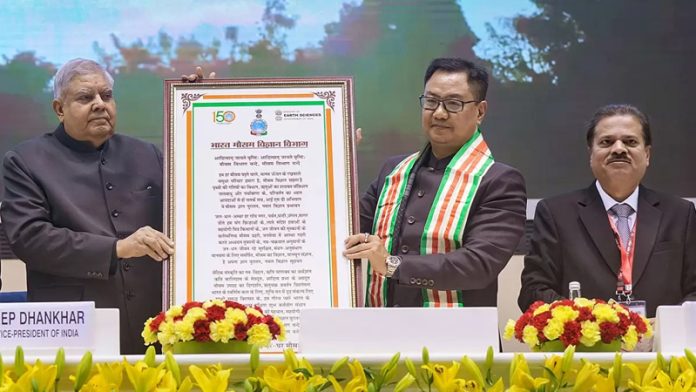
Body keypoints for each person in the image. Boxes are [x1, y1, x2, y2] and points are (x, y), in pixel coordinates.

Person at [0, 59, 177, 354]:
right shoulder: (26, 161)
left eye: (106, 96)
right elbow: (30, 238)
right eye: (85, 97)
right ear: (59, 109)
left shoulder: (147, 154)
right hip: (74, 331)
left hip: (156, 327)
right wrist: (116, 249)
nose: (99, 104)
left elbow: (189, 210)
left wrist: (206, 104)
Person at [343, 58, 527, 307]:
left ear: (480, 111)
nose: (439, 113)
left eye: (453, 103)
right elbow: (342, 230)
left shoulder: (499, 181)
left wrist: (391, 264)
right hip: (383, 334)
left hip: (458, 339)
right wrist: (336, 162)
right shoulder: (393, 171)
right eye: (431, 101)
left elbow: (478, 265)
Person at [518, 104, 696, 318]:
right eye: (606, 142)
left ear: (647, 155)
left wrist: (667, 327)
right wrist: (592, 325)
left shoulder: (680, 214)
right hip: (589, 347)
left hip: (663, 347)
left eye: (630, 141)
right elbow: (533, 291)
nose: (619, 149)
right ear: (591, 154)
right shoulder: (556, 214)